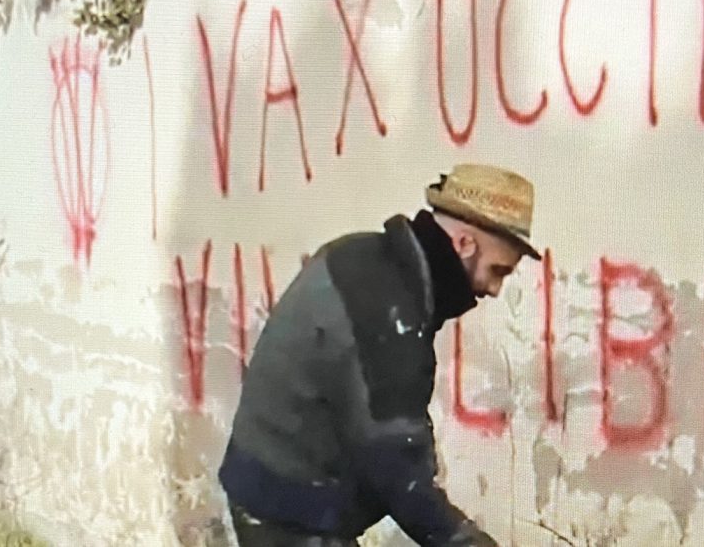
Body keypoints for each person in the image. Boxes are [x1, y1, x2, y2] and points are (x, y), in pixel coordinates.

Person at [219, 164, 541, 547]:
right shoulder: (389, 313)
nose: (494, 289)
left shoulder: (363, 255)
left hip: (275, 488)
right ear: (464, 244)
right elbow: (400, 473)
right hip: (288, 509)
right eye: (497, 271)